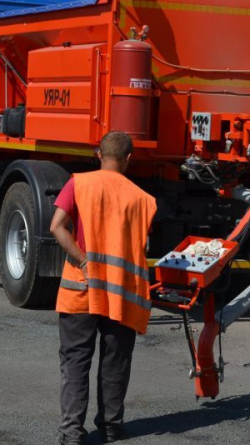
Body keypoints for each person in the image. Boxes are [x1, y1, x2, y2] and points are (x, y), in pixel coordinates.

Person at [50, 131, 157, 445]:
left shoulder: (79, 184)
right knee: (116, 360)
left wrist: (83, 261)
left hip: (81, 290)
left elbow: (56, 226)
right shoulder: (143, 200)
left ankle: (72, 433)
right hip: (121, 295)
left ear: (98, 155)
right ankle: (111, 426)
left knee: (75, 361)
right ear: (128, 159)